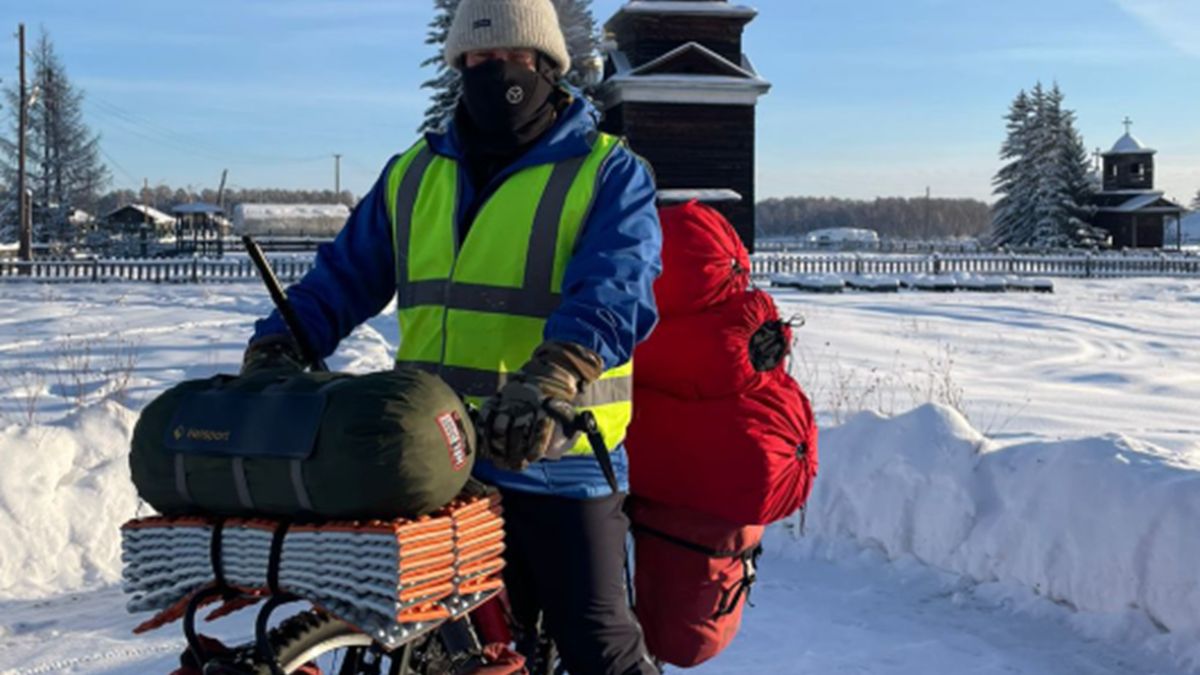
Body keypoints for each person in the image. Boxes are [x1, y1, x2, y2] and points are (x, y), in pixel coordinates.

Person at [242, 1, 662, 673]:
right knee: (437, 644)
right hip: (438, 453)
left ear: (547, 65)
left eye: (508, 59)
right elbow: (343, 277)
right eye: (473, 60)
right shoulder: (414, 172)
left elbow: (615, 289)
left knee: (598, 642)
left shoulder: (607, 172)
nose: (489, 73)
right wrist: (280, 344)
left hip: (560, 455)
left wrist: (552, 377)